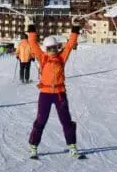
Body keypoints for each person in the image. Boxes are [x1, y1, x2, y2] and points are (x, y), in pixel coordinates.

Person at [26, 24, 83, 159]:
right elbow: (33, 44)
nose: (52, 51)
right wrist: (32, 29)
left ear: (57, 48)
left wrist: (75, 29)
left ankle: (72, 146)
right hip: (45, 94)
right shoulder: (42, 57)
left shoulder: (61, 58)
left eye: (55, 48)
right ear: (45, 49)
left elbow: (69, 45)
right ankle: (33, 146)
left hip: (59, 93)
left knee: (66, 120)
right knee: (41, 120)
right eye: (50, 49)